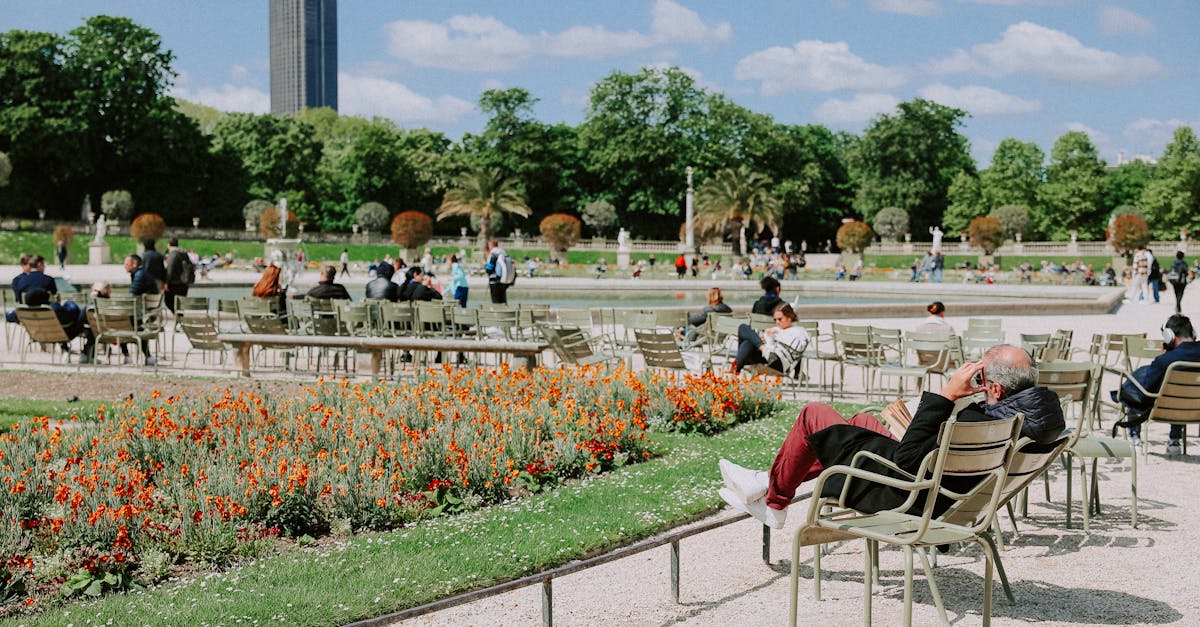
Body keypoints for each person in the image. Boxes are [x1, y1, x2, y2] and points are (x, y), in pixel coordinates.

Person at [719, 345, 1064, 528]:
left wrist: (945, 396)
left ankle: (774, 502)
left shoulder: (982, 422)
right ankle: (766, 481)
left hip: (907, 499)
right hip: (940, 494)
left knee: (814, 414)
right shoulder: (1034, 420)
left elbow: (908, 461)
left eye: (980, 376)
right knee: (856, 421)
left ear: (996, 388)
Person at [1117, 314, 1200, 454]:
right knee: (1178, 394)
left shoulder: (1165, 361)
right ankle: (1175, 440)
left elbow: (1147, 390)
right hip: (1194, 409)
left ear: (1169, 336)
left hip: (1164, 409)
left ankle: (1134, 437)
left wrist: (1161, 358)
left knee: (1133, 386)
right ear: (1194, 333)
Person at [732, 303, 809, 375]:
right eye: (775, 320)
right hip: (767, 357)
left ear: (789, 318)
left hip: (778, 362)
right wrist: (763, 339)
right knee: (746, 336)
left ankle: (735, 370)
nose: (777, 322)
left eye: (780, 319)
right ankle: (736, 369)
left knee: (746, 334)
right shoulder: (777, 329)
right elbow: (769, 341)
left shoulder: (799, 331)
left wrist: (777, 335)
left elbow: (797, 347)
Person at [123, 254, 158, 365]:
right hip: (146, 312)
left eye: (126, 264)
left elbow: (132, 294)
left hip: (146, 315)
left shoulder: (139, 275)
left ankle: (127, 355)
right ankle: (146, 356)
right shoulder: (139, 273)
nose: (124, 266)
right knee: (121, 322)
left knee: (120, 322)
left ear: (134, 264)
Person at [164, 237, 191, 312]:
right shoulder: (184, 253)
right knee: (180, 304)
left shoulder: (173, 254)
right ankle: (179, 320)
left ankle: (178, 319)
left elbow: (170, 269)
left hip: (174, 283)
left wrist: (166, 282)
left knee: (168, 301)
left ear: (169, 245)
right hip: (185, 282)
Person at [485, 239, 514, 304]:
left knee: (496, 301)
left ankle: (498, 313)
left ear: (490, 245)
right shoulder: (503, 252)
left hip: (495, 280)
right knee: (503, 300)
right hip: (505, 280)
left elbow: (489, 268)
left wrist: (485, 267)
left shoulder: (493, 253)